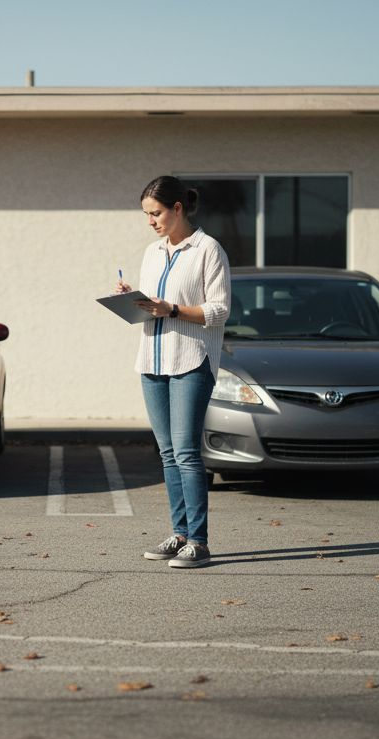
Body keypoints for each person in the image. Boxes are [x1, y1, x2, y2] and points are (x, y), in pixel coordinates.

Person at [113, 176, 231, 569]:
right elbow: (153, 306)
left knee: (186, 453)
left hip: (191, 361)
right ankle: (179, 534)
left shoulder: (208, 250)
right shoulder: (152, 252)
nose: (150, 221)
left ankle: (199, 541)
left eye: (156, 213)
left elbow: (219, 312)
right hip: (152, 361)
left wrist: (174, 310)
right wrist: (133, 301)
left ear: (178, 208)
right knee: (167, 453)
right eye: (146, 214)